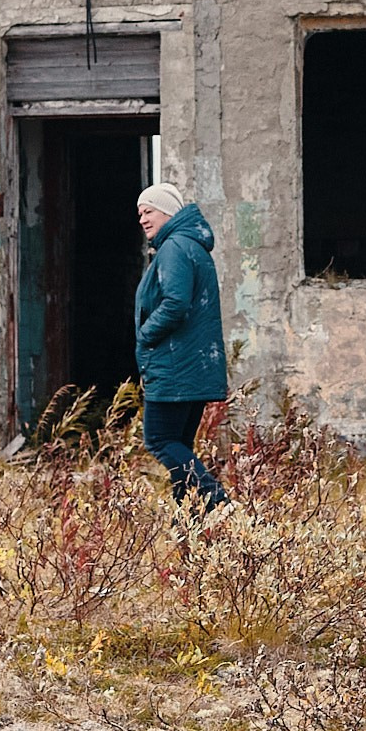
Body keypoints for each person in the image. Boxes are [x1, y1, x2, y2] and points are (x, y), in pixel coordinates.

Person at [132, 181, 231, 511]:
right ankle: (188, 524)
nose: (143, 219)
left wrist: (146, 334)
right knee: (180, 445)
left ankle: (218, 502)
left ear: (167, 213)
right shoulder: (192, 246)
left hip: (175, 368)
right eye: (140, 213)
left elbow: (175, 303)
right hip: (192, 368)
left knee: (159, 440)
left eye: (148, 211)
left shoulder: (174, 248)